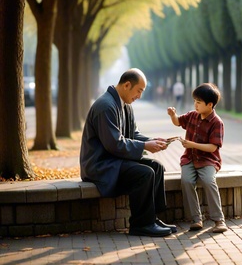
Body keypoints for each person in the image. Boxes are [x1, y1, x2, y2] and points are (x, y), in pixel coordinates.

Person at [80, 68, 177, 237]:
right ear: (126, 85)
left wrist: (153, 141)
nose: (139, 96)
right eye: (139, 90)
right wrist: (145, 146)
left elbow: (134, 134)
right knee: (144, 173)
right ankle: (141, 225)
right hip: (101, 165)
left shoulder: (125, 104)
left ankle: (152, 218)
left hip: (115, 160)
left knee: (157, 167)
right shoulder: (105, 106)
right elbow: (114, 144)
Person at [167, 83, 228, 233]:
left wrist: (192, 144)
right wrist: (172, 115)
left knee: (208, 181)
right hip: (189, 159)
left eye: (199, 102)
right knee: (186, 181)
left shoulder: (217, 122)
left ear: (210, 104)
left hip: (208, 160)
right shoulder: (192, 115)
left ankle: (219, 220)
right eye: (195, 101)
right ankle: (196, 219)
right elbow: (177, 122)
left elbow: (213, 147)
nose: (195, 104)